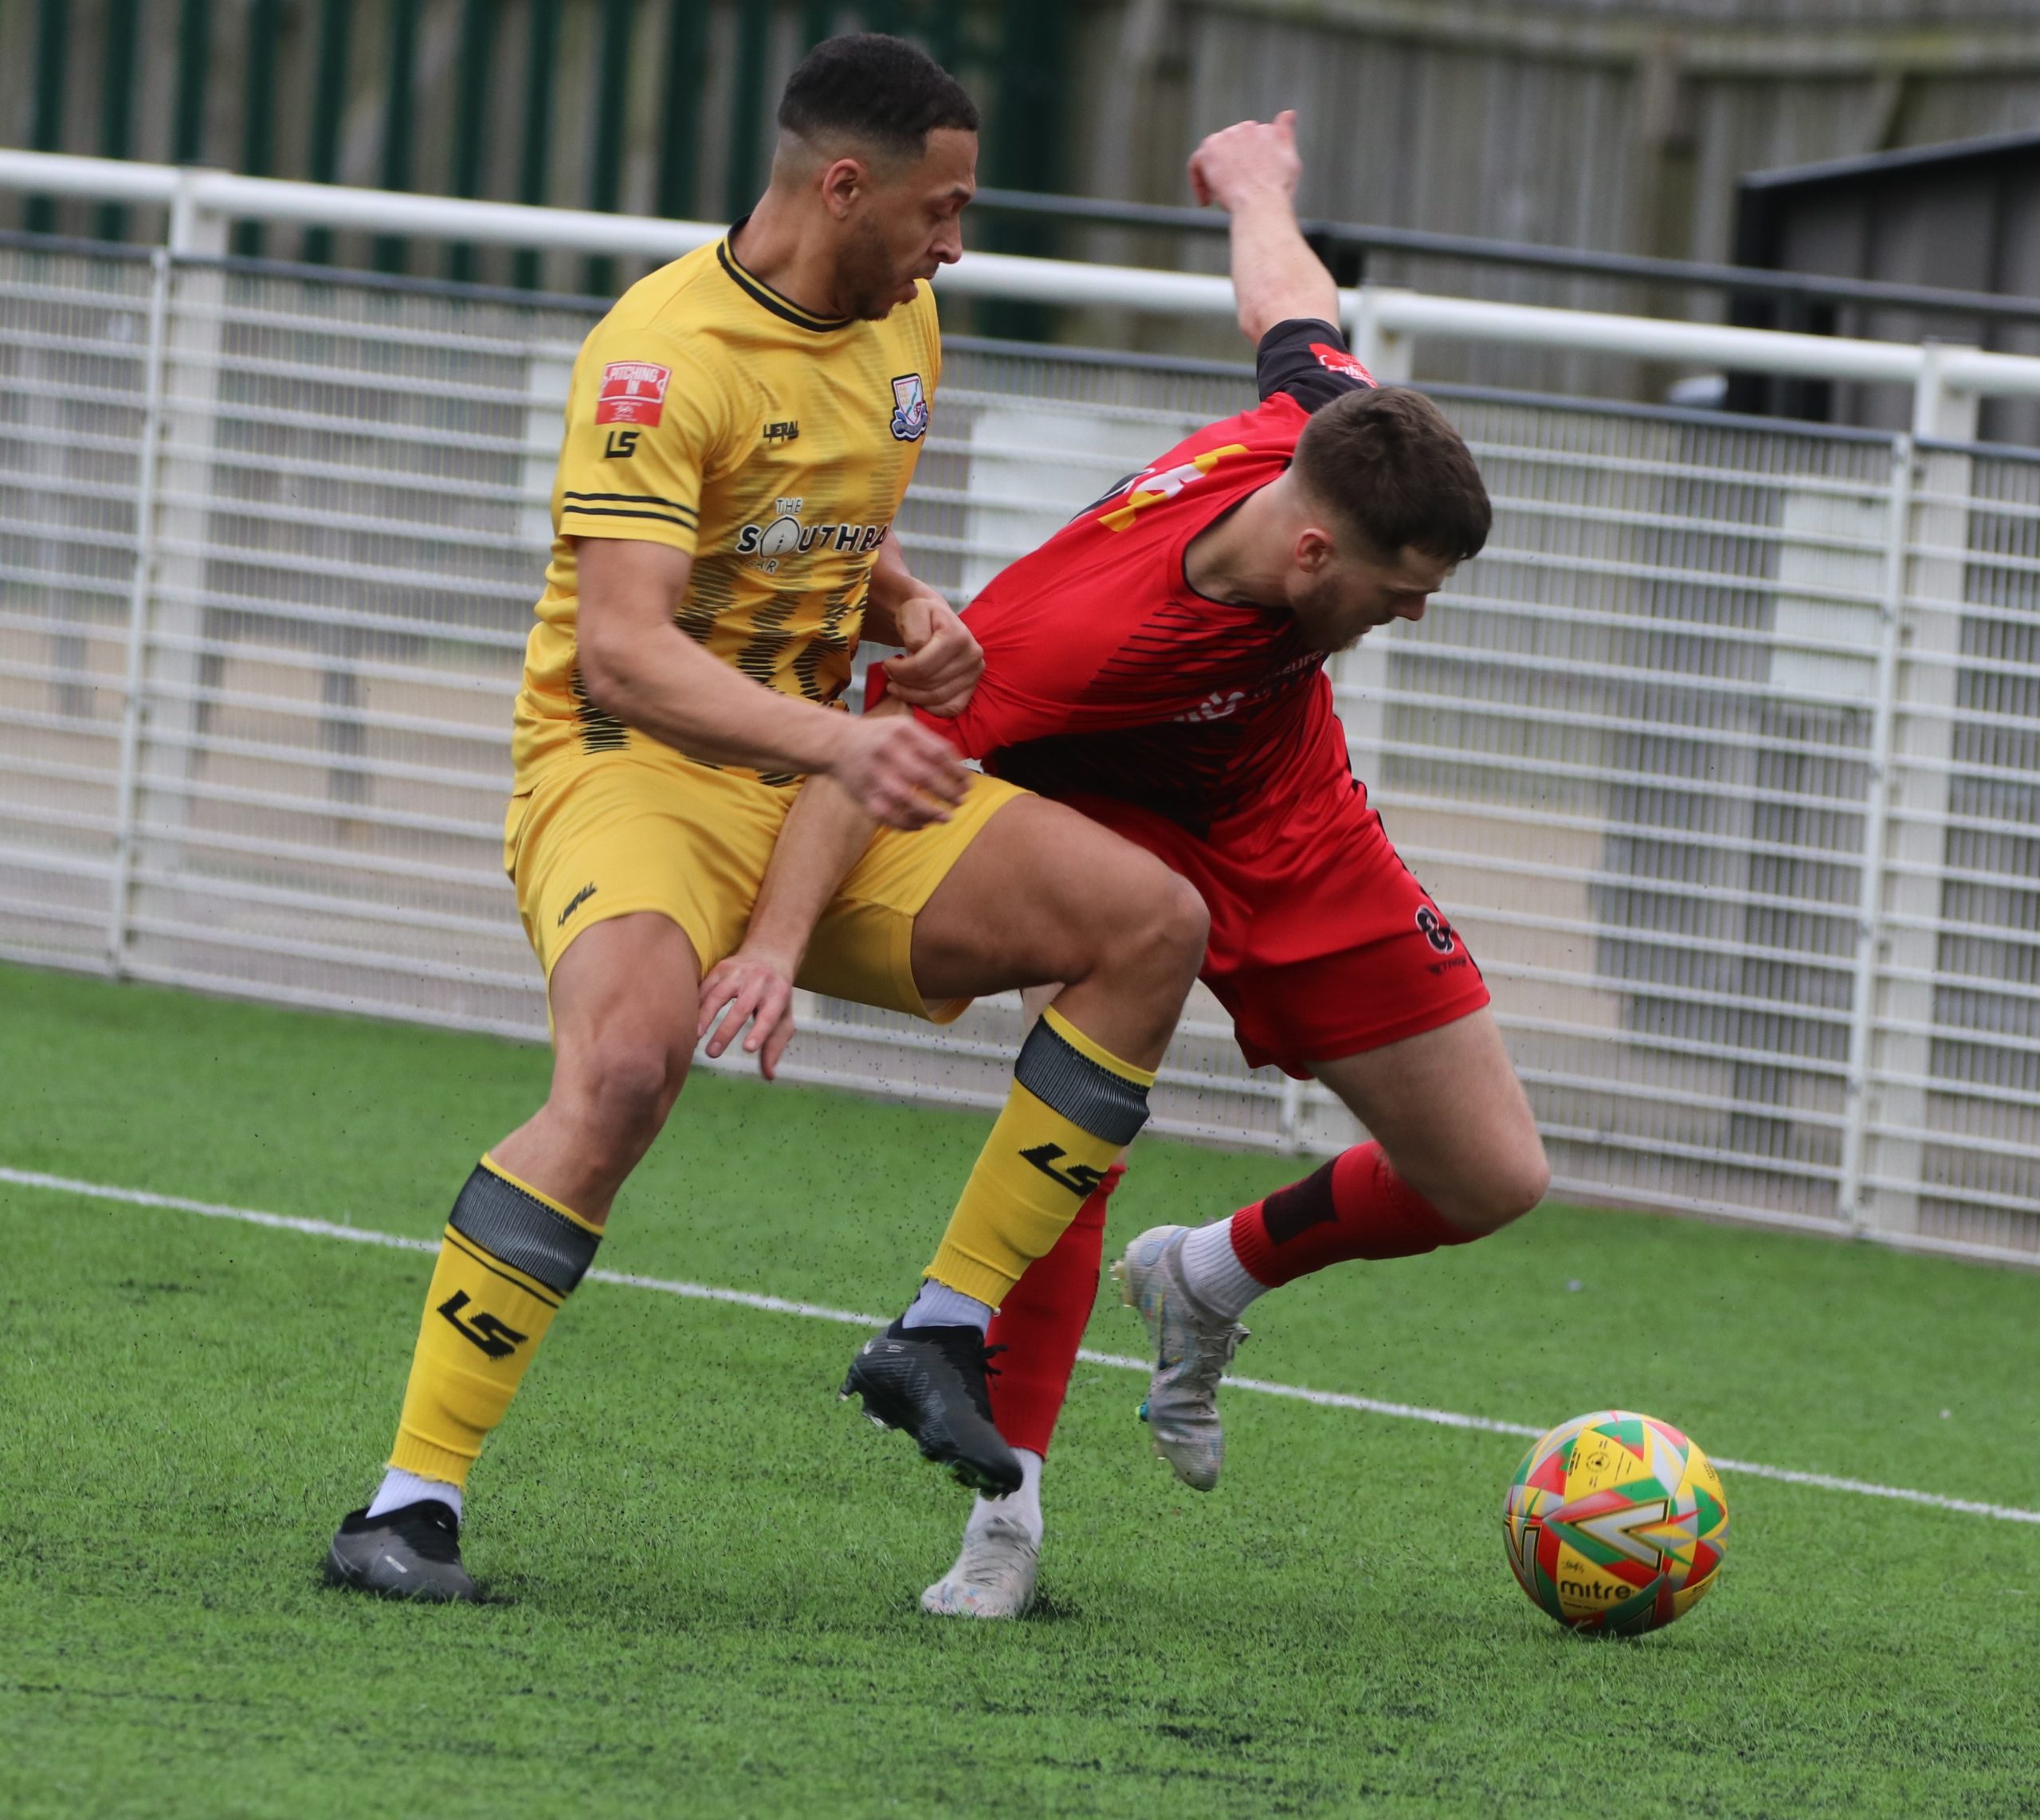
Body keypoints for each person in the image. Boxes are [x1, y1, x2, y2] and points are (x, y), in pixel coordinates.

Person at [322, 34, 1208, 1604]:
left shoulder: (901, 321)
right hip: (625, 767)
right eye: (939, 211)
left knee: (1147, 925)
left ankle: (940, 1326)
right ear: (843, 187)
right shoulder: (659, 354)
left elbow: (814, 538)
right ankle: (406, 1505)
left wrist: (915, 608)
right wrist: (842, 735)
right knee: (622, 1067)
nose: (954, 246)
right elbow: (624, 645)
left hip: (815, 775)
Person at [695, 112, 1550, 1619]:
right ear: (1306, 558)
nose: (1414, 618)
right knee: (1075, 1133)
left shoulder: (1321, 443)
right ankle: (1002, 1524)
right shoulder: (1078, 649)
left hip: (1293, 816)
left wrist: (1257, 183)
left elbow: (1295, 313)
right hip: (1112, 829)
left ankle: (1210, 1276)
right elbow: (872, 739)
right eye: (1400, 595)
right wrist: (771, 944)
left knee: (1489, 1176)